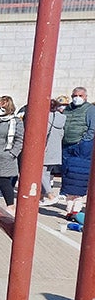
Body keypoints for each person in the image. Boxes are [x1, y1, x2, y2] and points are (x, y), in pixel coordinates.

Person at [61, 86, 94, 220]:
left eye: (80, 95)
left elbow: (92, 128)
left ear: (85, 97)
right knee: (67, 175)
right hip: (67, 145)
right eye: (75, 95)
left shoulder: (90, 109)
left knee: (79, 176)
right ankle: (69, 208)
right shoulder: (67, 109)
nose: (77, 98)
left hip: (81, 146)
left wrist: (84, 140)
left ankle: (76, 208)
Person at [40, 96, 68, 206]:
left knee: (41, 173)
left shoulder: (46, 118)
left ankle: (50, 195)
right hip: (56, 149)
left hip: (45, 149)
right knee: (46, 173)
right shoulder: (62, 118)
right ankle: (41, 197)